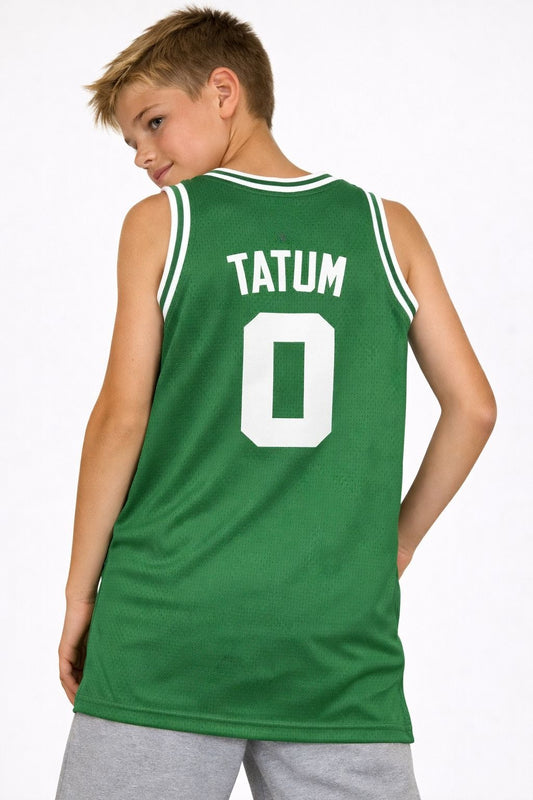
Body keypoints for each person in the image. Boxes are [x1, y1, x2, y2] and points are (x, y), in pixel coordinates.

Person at [55, 6, 497, 799]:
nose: (142, 155)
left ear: (224, 92)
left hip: (167, 627)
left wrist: (80, 592)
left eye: (153, 123)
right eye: (130, 142)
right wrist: (394, 544)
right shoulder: (386, 228)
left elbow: (120, 420)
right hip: (337, 643)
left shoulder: (163, 225)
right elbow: (473, 408)